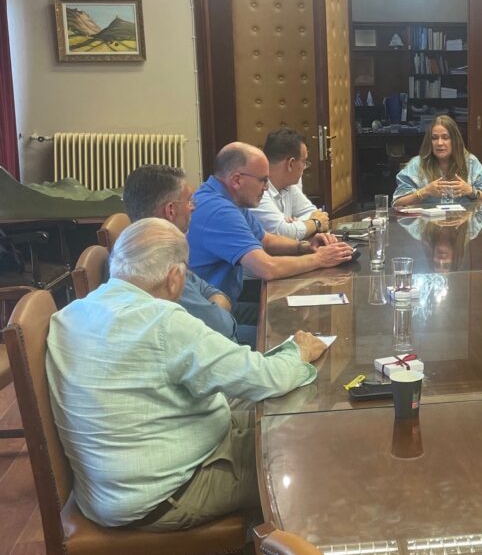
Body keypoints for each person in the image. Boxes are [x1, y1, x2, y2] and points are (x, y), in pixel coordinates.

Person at [46, 218, 329, 530]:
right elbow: (264, 379)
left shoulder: (69, 315)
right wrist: (298, 352)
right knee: (308, 450)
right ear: (175, 278)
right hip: (167, 495)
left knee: (281, 415)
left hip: (109, 492)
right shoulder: (162, 321)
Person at [187, 142, 355, 306]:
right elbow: (267, 268)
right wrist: (320, 258)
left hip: (225, 298)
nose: (266, 188)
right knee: (287, 317)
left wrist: (305, 247)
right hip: (209, 311)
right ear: (237, 180)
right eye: (263, 180)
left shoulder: (227, 198)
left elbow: (266, 240)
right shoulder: (219, 211)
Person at [122, 164, 251, 344]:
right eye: (189, 201)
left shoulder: (140, 248)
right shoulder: (156, 265)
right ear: (171, 210)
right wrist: (216, 308)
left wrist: (214, 308)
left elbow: (209, 290)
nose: (193, 207)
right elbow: (222, 327)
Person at [393, 115, 482, 207]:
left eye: (445, 138)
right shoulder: (417, 164)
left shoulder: (471, 163)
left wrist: (471, 191)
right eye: (434, 138)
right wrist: (425, 192)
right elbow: (397, 203)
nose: (439, 143)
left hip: (464, 221)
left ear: (455, 140)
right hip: (427, 222)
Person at [249, 127, 331, 240]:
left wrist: (295, 226)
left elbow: (315, 213)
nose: (305, 167)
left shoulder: (289, 185)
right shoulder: (256, 191)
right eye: (304, 162)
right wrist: (315, 223)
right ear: (291, 164)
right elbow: (282, 232)